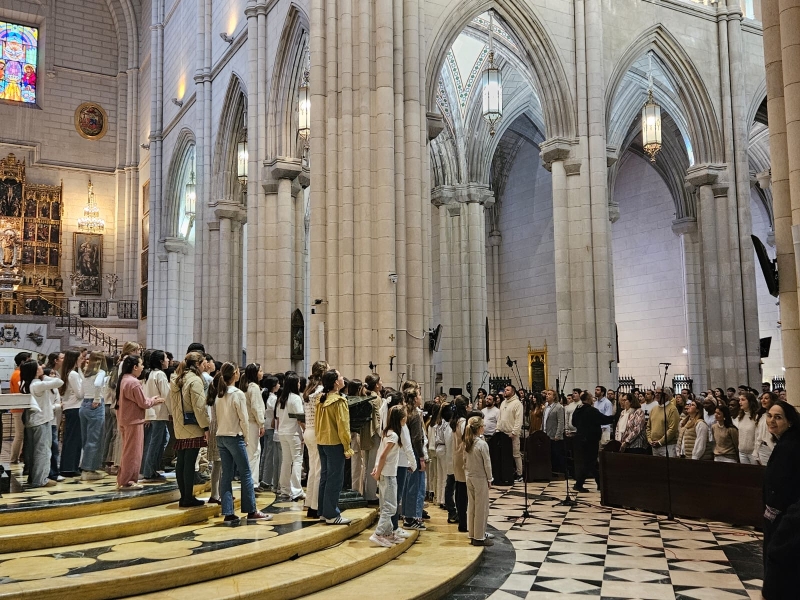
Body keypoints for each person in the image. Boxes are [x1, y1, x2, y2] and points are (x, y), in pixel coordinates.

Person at [208, 362, 271, 522]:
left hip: (221, 436)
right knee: (246, 473)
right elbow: (243, 418)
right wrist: (246, 437)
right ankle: (251, 511)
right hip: (234, 436)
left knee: (227, 475)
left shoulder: (220, 394)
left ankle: (228, 512)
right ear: (235, 373)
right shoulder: (237, 394)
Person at [762, 400, 800, 598]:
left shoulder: (790, 446)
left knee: (779, 564)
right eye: (770, 416)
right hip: (780, 514)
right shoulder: (784, 442)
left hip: (784, 517)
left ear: (790, 422)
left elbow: (783, 484)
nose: (772, 421)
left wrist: (773, 512)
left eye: (778, 417)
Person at [116, 355, 166, 491]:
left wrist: (150, 399)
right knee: (133, 453)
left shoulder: (125, 379)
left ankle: (125, 479)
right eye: (141, 364)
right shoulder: (133, 382)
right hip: (134, 421)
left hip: (127, 419)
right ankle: (128, 481)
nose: (143, 367)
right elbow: (143, 403)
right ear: (135, 367)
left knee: (128, 451)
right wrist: (155, 401)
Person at [166, 352, 210, 505]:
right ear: (197, 364)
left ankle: (184, 496)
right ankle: (187, 498)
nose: (206, 365)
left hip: (180, 425)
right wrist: (206, 426)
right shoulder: (195, 380)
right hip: (192, 424)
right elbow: (199, 407)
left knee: (182, 462)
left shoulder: (177, 378)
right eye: (204, 362)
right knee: (190, 463)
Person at [316, 369, 354, 524]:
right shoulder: (339, 401)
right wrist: (347, 447)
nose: (343, 378)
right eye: (340, 376)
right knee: (335, 479)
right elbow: (343, 426)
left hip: (322, 441)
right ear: (335, 383)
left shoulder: (321, 399)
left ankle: (323, 512)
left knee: (325, 477)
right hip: (335, 443)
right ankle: (332, 514)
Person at [369, 405, 407, 547]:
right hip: (388, 474)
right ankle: (378, 534)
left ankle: (388, 533)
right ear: (402, 419)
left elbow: (381, 453)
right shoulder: (394, 435)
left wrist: (377, 468)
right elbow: (383, 454)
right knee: (390, 507)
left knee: (387, 503)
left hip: (387, 473)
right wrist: (377, 471)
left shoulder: (388, 432)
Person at [20, 359, 62, 488]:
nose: (41, 366)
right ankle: (41, 479)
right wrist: (45, 376)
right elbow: (59, 382)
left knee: (34, 452)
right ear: (34, 370)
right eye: (38, 366)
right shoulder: (37, 384)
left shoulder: (25, 384)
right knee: (43, 451)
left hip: (32, 421)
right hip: (41, 420)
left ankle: (33, 477)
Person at [571, 391, 615, 492]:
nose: (593, 399)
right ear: (587, 399)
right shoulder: (591, 410)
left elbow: (573, 422)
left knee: (592, 462)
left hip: (580, 438)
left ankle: (600, 483)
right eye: (591, 397)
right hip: (590, 440)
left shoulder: (578, 410)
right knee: (589, 462)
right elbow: (603, 419)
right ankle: (579, 484)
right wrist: (615, 417)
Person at [142, 350, 171, 482]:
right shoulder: (160, 374)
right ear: (161, 361)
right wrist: (173, 412)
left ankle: (151, 469)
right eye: (166, 358)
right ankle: (149, 471)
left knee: (160, 440)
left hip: (153, 412)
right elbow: (166, 395)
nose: (168, 360)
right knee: (155, 443)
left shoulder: (151, 374)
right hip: (159, 412)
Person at [464, 416, 493, 547]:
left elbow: (464, 461)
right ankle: (479, 537)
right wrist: (490, 478)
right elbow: (487, 463)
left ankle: (472, 533)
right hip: (480, 477)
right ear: (480, 428)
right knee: (482, 508)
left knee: (472, 506)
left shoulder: (467, 442)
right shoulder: (482, 444)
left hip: (469, 476)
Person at [402, 386, 428, 531]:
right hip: (414, 454)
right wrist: (422, 458)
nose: (421, 398)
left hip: (405, 454)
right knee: (414, 486)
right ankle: (411, 518)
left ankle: (407, 514)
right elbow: (417, 439)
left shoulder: (403, 412)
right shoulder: (415, 415)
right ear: (414, 398)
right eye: (419, 395)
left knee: (407, 486)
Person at [79, 351, 107, 481]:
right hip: (95, 405)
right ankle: (89, 469)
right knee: (95, 439)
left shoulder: (86, 372)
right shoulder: (100, 372)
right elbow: (97, 384)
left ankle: (85, 466)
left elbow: (81, 390)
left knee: (86, 439)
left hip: (84, 404)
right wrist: (96, 399)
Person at [276, 373, 304, 502]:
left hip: (282, 432)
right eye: (298, 382)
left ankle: (285, 490)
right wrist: (305, 432)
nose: (299, 384)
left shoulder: (282, 398)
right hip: (293, 433)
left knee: (286, 461)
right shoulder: (296, 398)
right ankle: (297, 490)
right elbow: (300, 418)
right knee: (297, 460)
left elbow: (278, 417)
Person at [302, 363, 325, 518]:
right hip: (317, 431)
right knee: (318, 470)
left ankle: (309, 502)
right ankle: (315, 506)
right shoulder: (320, 391)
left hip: (308, 431)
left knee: (312, 469)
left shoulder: (308, 390)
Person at [59, 350, 85, 477]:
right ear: (74, 359)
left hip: (73, 408)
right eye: (80, 358)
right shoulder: (73, 374)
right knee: (73, 439)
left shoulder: (73, 372)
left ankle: (73, 465)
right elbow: (80, 394)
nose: (82, 360)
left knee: (75, 439)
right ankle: (68, 467)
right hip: (74, 407)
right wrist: (87, 387)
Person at [240, 363, 265, 490]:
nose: (262, 373)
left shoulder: (246, 386)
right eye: (260, 370)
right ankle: (252, 483)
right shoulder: (254, 387)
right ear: (255, 373)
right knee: (253, 453)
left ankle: (251, 481)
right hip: (253, 423)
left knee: (253, 452)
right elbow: (256, 407)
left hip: (248, 422)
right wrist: (261, 423)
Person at [362, 373, 384, 505]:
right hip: (374, 435)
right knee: (372, 465)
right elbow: (378, 419)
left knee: (367, 465)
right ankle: (370, 495)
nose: (382, 383)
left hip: (366, 434)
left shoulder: (367, 396)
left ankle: (367, 492)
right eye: (380, 381)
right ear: (376, 385)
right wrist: (383, 435)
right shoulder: (376, 398)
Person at [8, 351, 32, 464]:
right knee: (19, 435)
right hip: (19, 408)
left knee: (21, 434)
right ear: (23, 362)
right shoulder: (18, 374)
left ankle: (17, 457)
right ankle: (14, 458)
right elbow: (21, 390)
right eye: (28, 360)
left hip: (20, 408)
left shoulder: (18, 373)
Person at [496, 385, 523, 481]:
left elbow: (518, 420)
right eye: (505, 390)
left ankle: (520, 474)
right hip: (503, 433)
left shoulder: (517, 403)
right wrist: (497, 429)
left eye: (507, 390)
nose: (505, 391)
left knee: (515, 454)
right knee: (505, 455)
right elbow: (500, 418)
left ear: (513, 392)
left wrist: (514, 432)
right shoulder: (503, 403)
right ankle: (508, 473)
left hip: (512, 434)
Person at [260, 375, 281, 492]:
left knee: (265, 453)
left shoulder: (265, 395)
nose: (279, 385)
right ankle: (267, 479)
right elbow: (275, 413)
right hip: (271, 427)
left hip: (266, 425)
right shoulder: (272, 398)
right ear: (274, 386)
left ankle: (263, 477)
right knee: (269, 454)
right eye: (277, 383)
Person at [645, 389, 679, 457]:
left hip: (668, 446)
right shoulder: (654, 409)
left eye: (659, 393)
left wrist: (660, 442)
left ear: (666, 396)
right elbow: (648, 426)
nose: (656, 395)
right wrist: (649, 439)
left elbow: (672, 429)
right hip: (654, 445)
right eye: (656, 393)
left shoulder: (672, 409)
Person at [542, 389, 565, 473]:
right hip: (546, 434)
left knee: (556, 454)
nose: (547, 396)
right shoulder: (546, 406)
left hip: (554, 435)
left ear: (554, 396)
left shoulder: (558, 407)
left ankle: (558, 472)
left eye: (549, 394)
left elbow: (560, 421)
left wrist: (558, 434)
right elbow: (544, 420)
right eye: (547, 394)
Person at [753, 392, 777, 465]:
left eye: (766, 398)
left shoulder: (777, 416)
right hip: (763, 448)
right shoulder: (760, 415)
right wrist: (756, 451)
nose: (763, 400)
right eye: (762, 398)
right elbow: (757, 434)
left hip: (774, 447)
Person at [736, 391, 759, 465]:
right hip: (742, 451)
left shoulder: (756, 416)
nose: (740, 402)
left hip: (753, 452)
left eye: (743, 400)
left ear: (750, 401)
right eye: (739, 400)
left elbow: (758, 435)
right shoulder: (740, 416)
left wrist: (756, 451)